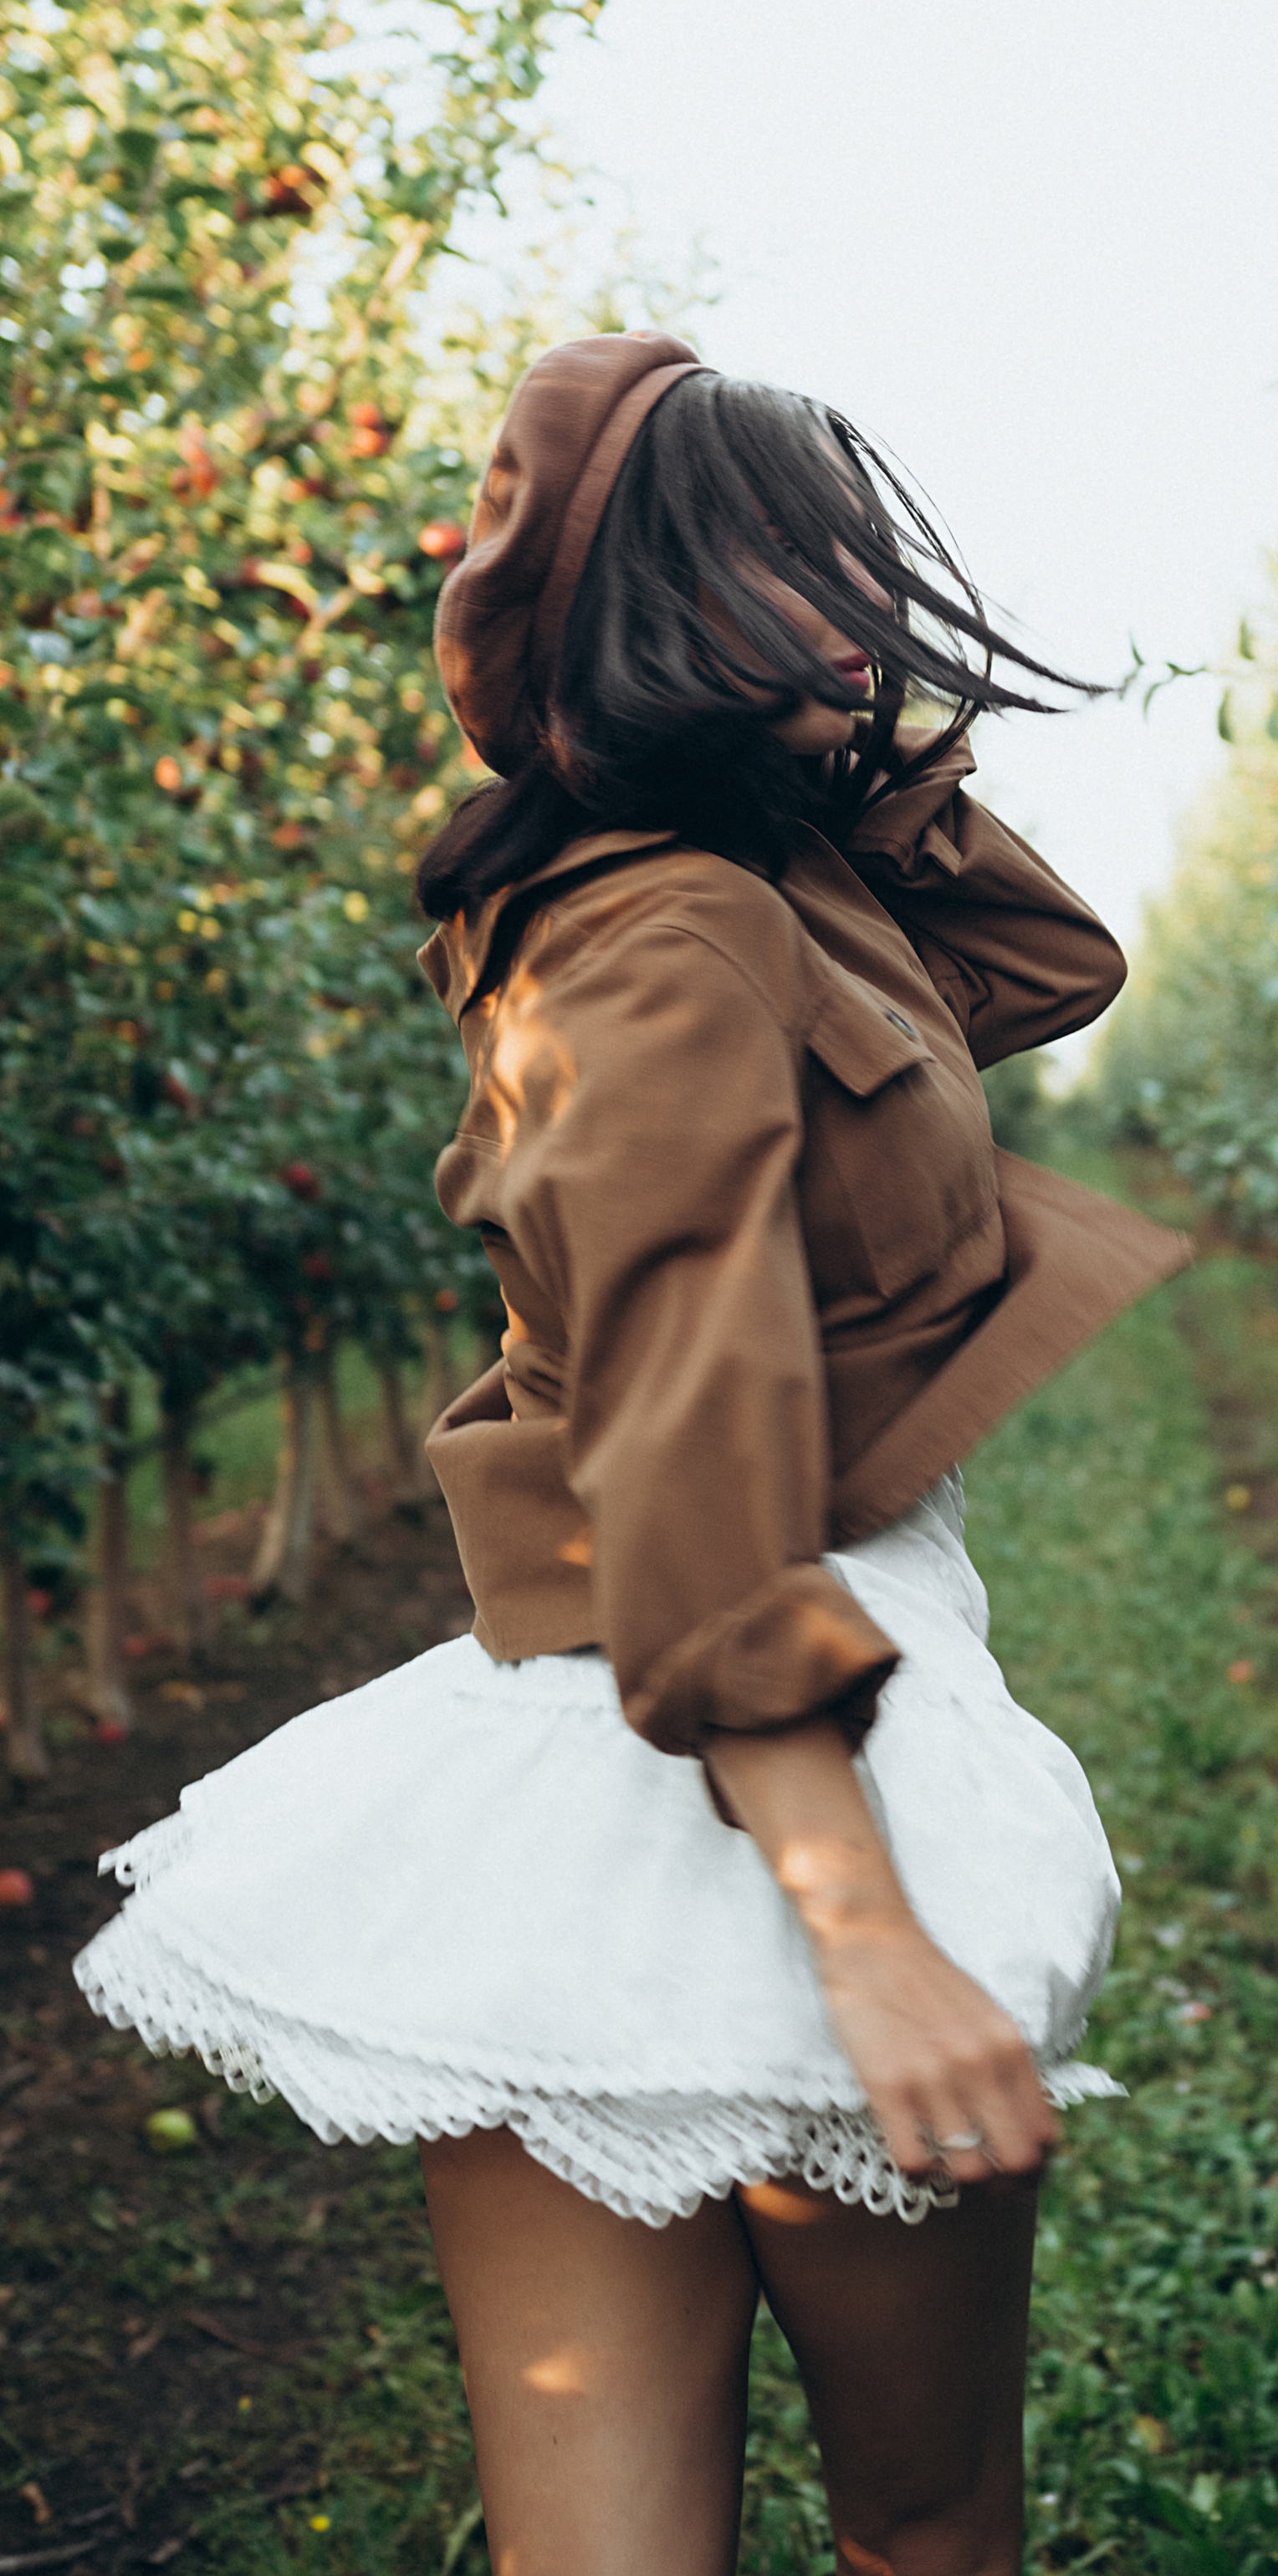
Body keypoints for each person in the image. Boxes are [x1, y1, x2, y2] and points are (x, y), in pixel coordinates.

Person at [76, 333, 1190, 2576]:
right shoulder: (676, 934)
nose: (874, 587)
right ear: (693, 588)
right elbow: (684, 1435)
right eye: (819, 552)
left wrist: (850, 742)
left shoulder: (725, 886)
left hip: (581, 1788)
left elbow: (1052, 961)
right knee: (930, 2524)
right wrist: (863, 1930)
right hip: (790, 1724)